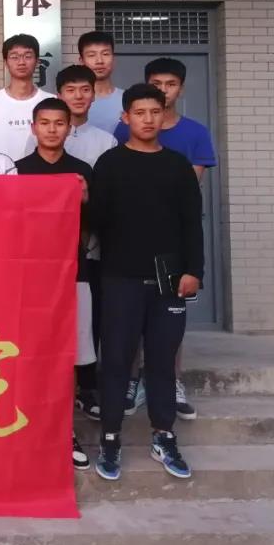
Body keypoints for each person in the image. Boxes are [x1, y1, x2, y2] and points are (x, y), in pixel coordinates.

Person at [89, 83, 204, 483]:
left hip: (168, 280)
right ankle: (110, 438)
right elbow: (95, 221)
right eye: (139, 113)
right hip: (119, 277)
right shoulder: (109, 164)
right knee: (116, 360)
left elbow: (192, 224)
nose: (148, 119)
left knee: (161, 361)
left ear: (163, 115)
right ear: (126, 118)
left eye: (155, 112)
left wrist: (194, 271)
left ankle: (164, 436)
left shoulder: (177, 165)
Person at [113, 57, 217, 421]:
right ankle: (132, 381)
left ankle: (172, 383)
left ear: (181, 89)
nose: (163, 90)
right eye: (156, 83)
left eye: (170, 84)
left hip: (172, 241)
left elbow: (189, 188)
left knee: (169, 323)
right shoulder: (123, 131)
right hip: (131, 243)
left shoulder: (195, 133)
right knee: (130, 322)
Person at [15, 98, 96, 473]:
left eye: (59, 123)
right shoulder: (17, 171)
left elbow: (101, 224)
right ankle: (28, 428)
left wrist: (85, 200)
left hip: (73, 273)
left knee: (70, 356)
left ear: (69, 127)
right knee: (28, 355)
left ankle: (66, 431)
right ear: (33, 127)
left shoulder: (81, 172)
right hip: (27, 278)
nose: (51, 129)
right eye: (44, 123)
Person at [49, 64, 117, 422]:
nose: (78, 96)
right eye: (70, 90)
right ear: (59, 95)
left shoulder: (105, 141)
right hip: (50, 251)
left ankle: (88, 387)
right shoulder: (44, 137)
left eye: (84, 89)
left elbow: (108, 197)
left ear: (94, 93)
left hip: (91, 245)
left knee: (89, 319)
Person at [0, 34, 55, 162]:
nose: (21, 62)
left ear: (37, 61)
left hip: (42, 173)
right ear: (5, 62)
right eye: (14, 57)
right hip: (2, 173)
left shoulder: (52, 102)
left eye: (28, 56)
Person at [78, 31, 123, 135]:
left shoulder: (128, 100)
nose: (99, 61)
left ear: (113, 58)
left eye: (105, 54)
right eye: (91, 55)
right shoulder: (73, 101)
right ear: (82, 61)